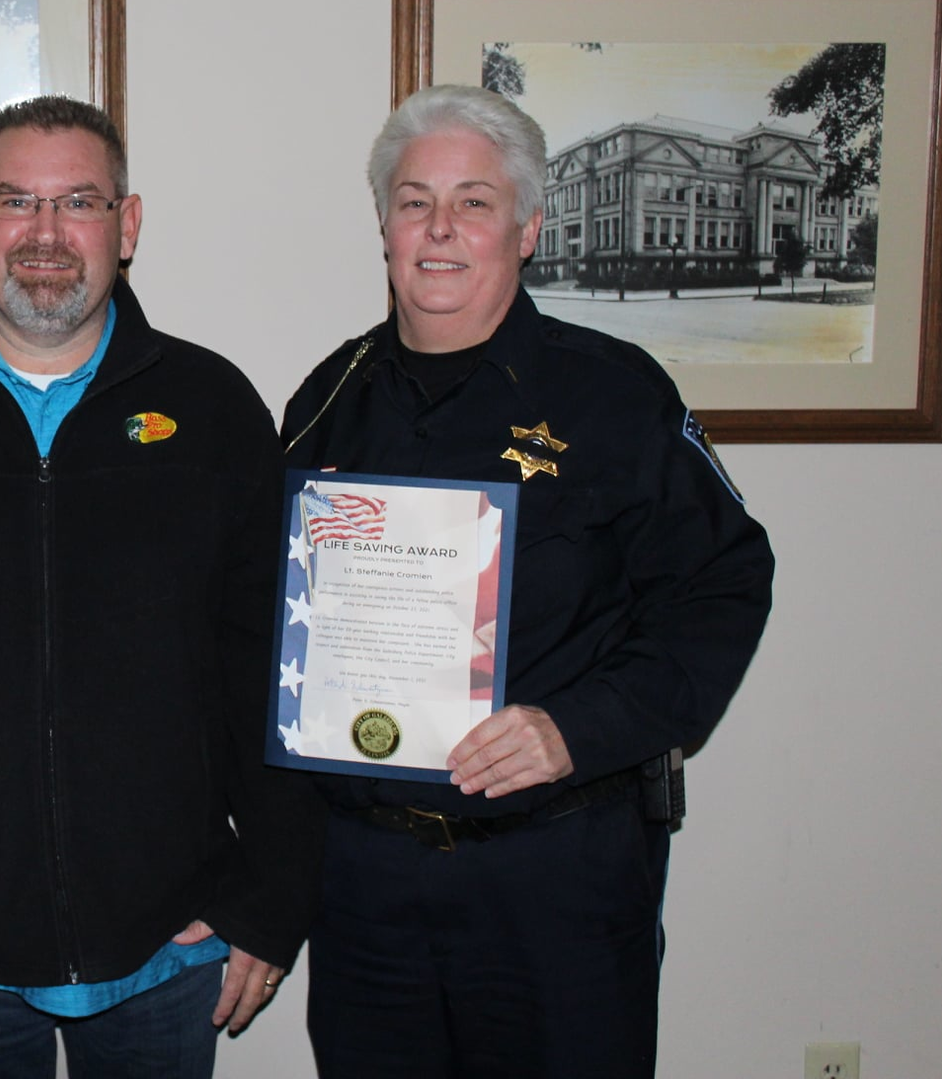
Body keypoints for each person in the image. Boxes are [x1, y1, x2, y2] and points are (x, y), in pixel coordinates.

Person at [0, 95, 321, 1078]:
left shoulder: (213, 411)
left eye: (78, 202)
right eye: (14, 202)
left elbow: (279, 672)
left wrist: (274, 895)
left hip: (172, 948)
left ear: (126, 226)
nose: (44, 234)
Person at [281, 84, 774, 1079]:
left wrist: (573, 727)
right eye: (415, 200)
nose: (440, 228)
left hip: (556, 876)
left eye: (475, 201)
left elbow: (723, 583)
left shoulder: (613, 392)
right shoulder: (328, 396)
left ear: (530, 227)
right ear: (384, 225)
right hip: (368, 887)